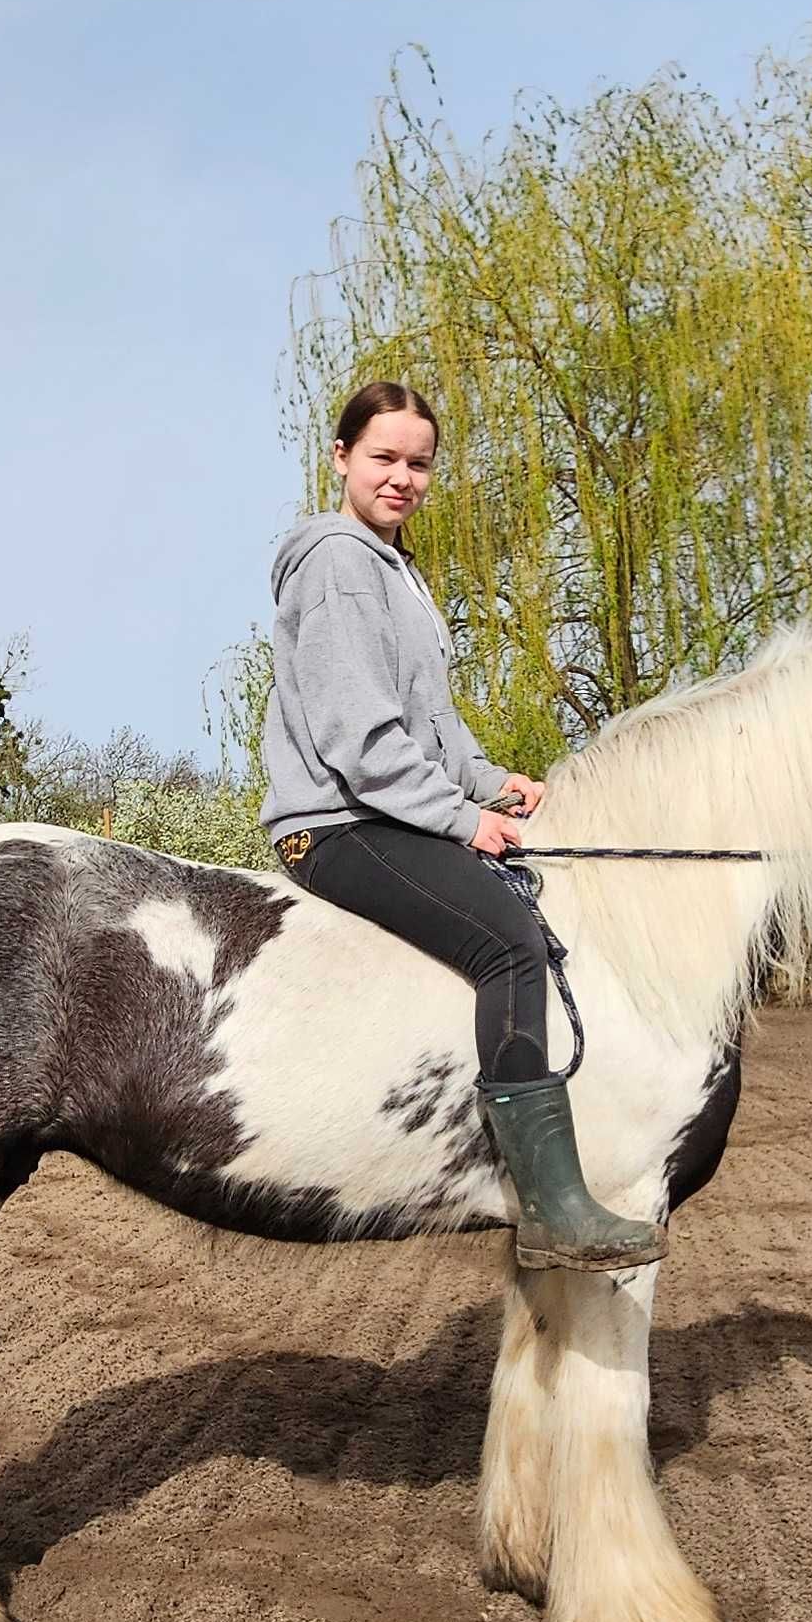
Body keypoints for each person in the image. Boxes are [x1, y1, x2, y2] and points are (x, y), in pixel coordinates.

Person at [261, 378, 663, 1272]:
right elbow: (360, 738)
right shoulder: (336, 561)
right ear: (340, 458)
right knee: (511, 941)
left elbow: (428, 723)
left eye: (419, 463)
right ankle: (552, 1206)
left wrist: (490, 781)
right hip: (336, 824)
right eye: (384, 459)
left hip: (384, 809)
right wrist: (460, 818)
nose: (402, 478)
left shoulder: (395, 568)